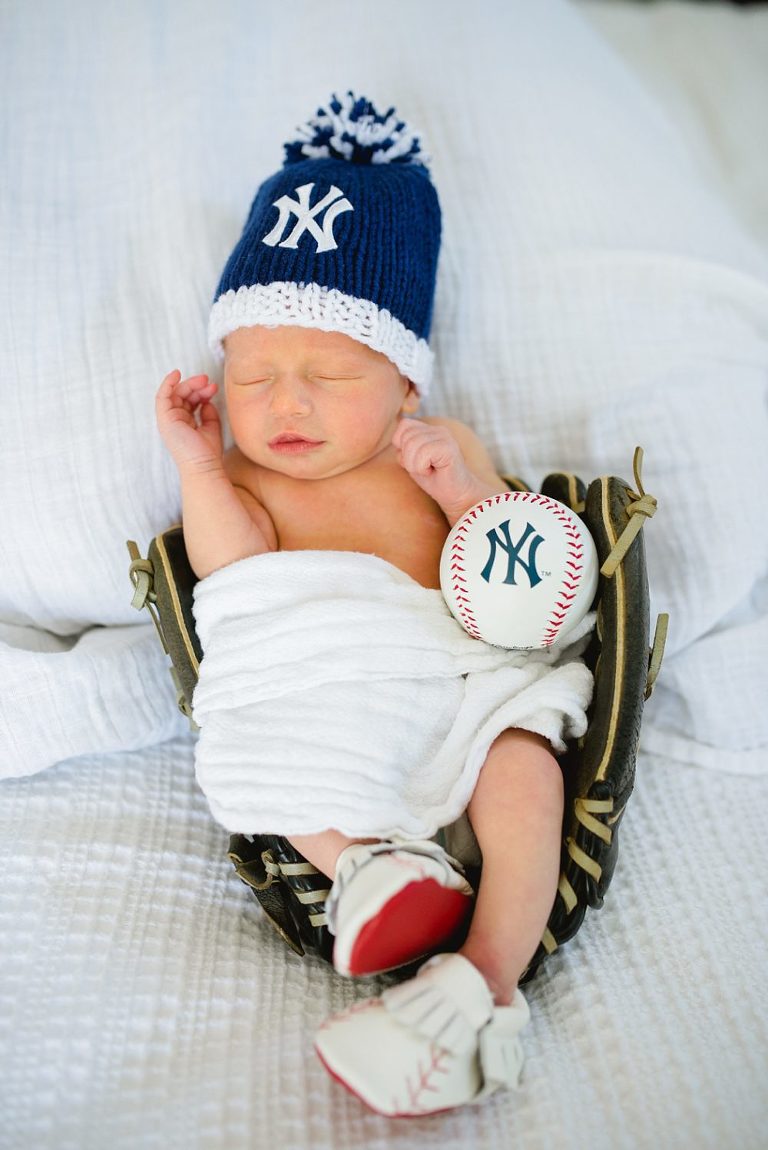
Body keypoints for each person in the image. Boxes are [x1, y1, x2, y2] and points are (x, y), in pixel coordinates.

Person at [155, 93, 593, 1117]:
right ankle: (366, 870)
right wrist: (196, 466)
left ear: (403, 380)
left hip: (450, 681)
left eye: (329, 372)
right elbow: (239, 582)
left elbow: (514, 575)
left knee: (526, 763)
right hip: (327, 685)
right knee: (261, 754)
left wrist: (461, 492)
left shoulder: (432, 448)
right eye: (253, 373)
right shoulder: (243, 475)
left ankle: (484, 972)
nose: (284, 402)